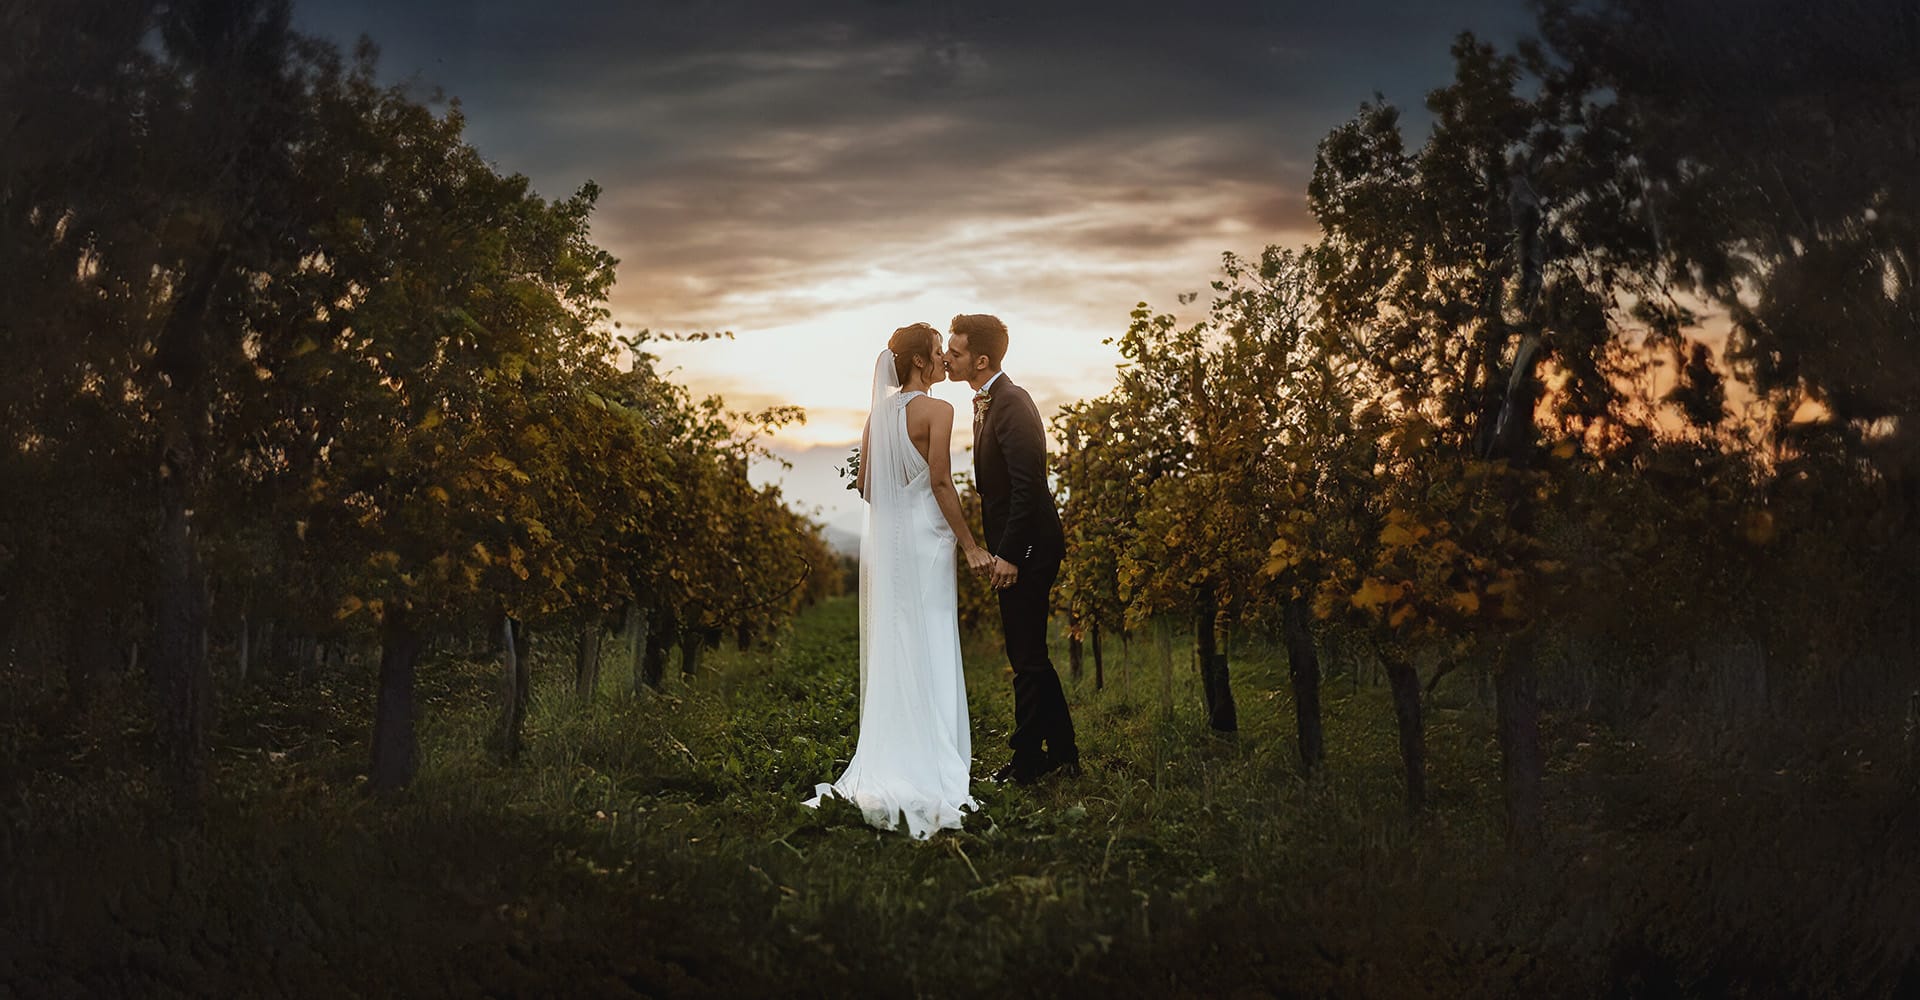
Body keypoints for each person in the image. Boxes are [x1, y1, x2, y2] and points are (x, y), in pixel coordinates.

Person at [804, 323, 991, 838]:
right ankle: (932, 758)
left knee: (898, 637)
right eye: (936, 354)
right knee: (930, 638)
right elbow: (939, 480)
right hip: (929, 540)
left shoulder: (877, 417)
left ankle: (892, 752)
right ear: (917, 364)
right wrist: (971, 546)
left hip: (892, 545)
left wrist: (898, 511)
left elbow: (867, 485)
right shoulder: (939, 411)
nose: (942, 362)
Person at [943, 313, 1079, 785]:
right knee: (1030, 655)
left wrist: (1010, 554)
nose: (947, 357)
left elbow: (1028, 487)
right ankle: (1062, 754)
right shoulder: (988, 402)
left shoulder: (1012, 403)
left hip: (1029, 548)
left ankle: (1025, 763)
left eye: (955, 353)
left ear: (981, 360)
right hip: (1019, 544)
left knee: (1026, 660)